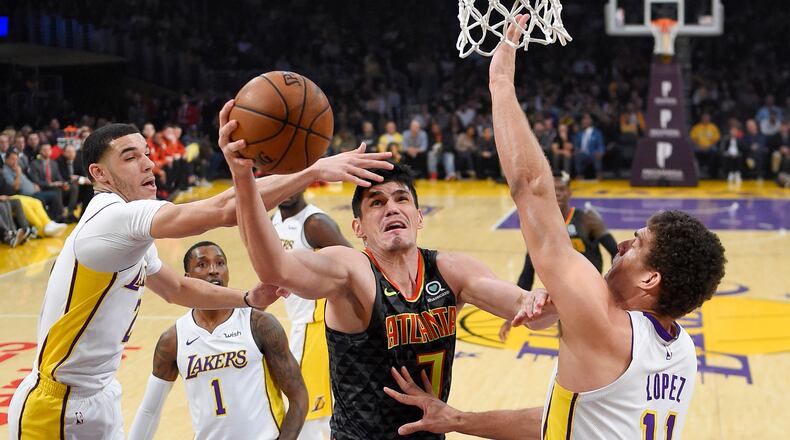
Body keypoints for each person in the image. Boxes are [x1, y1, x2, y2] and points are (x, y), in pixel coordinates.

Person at [385, 15, 726, 439]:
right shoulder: (681, 353)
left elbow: (532, 189)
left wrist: (501, 84)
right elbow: (565, 420)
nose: (621, 244)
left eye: (637, 244)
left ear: (651, 277)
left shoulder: (603, 321)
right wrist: (457, 421)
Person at [7, 101, 394, 440]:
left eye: (146, 153)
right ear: (100, 174)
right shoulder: (111, 219)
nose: (148, 163)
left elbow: (177, 289)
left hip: (101, 396)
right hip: (55, 406)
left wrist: (244, 298)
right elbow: (226, 210)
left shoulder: (126, 234)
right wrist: (313, 171)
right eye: (129, 157)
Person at [220, 99, 549, 439]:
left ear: (419, 217)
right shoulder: (351, 270)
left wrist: (537, 299)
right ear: (358, 227)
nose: (391, 207)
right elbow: (275, 267)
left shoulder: (453, 270)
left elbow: (531, 312)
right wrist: (243, 175)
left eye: (401, 198)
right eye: (376, 202)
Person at [128, 242, 307, 440]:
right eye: (202, 265)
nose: (213, 270)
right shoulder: (173, 339)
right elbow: (149, 410)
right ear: (188, 279)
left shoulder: (259, 325)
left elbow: (299, 397)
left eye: (220, 263)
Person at [272, 191, 352, 439]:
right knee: (317, 407)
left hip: (315, 324)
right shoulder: (274, 220)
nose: (286, 190)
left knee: (308, 410)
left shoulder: (315, 223)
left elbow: (356, 264)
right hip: (300, 323)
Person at [502, 172, 618, 340]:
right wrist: (511, 314)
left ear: (570, 192)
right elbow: (528, 271)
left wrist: (611, 289)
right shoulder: (540, 228)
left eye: (562, 189)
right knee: (569, 344)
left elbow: (616, 253)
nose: (557, 193)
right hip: (560, 297)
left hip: (591, 294)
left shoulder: (588, 219)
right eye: (553, 189)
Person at [3, 149, 65, 222]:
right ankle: (48, 221)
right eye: (12, 159)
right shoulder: (5, 171)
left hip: (35, 191)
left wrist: (34, 184)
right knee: (42, 200)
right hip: (26, 195)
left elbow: (26, 180)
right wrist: (18, 173)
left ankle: (54, 219)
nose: (15, 162)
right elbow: (15, 188)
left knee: (55, 194)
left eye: (16, 159)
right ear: (6, 159)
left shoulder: (16, 167)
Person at [29, 143, 79, 222]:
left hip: (55, 186)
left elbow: (58, 177)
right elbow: (36, 181)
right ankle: (61, 214)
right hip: (44, 189)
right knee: (57, 189)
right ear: (40, 151)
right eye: (45, 150)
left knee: (73, 187)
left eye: (49, 149)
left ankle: (69, 213)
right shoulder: (34, 164)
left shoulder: (54, 163)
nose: (47, 152)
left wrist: (63, 183)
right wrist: (51, 184)